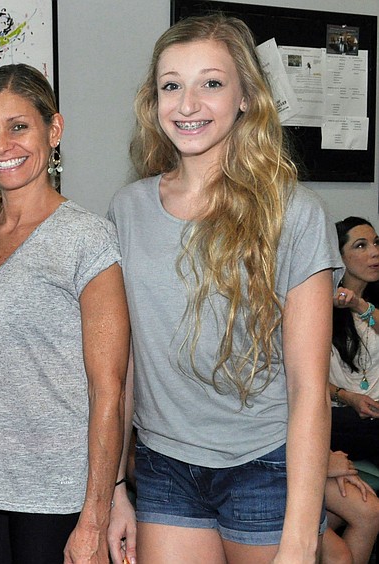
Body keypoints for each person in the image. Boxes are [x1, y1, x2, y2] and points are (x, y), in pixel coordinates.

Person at [108, 14, 341, 563]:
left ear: (246, 98)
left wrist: (300, 539)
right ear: (154, 100)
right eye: (172, 86)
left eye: (210, 83)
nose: (187, 104)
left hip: (264, 465)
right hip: (164, 465)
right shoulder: (127, 209)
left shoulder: (296, 214)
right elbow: (125, 365)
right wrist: (115, 488)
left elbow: (310, 388)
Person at [0, 63, 130, 564]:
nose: (2, 144)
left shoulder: (86, 238)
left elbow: (108, 387)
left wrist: (95, 514)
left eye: (18, 126)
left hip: (61, 495)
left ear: (53, 131)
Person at [330, 216, 379, 462]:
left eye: (376, 243)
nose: (375, 252)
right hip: (340, 413)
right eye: (361, 245)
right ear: (339, 257)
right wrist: (348, 397)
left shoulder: (371, 305)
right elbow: (300, 377)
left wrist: (360, 305)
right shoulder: (320, 306)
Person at [321, 450, 379, 564]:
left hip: (301, 455)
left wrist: (329, 457)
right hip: (282, 473)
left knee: (370, 511)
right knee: (339, 558)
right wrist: (322, 464)